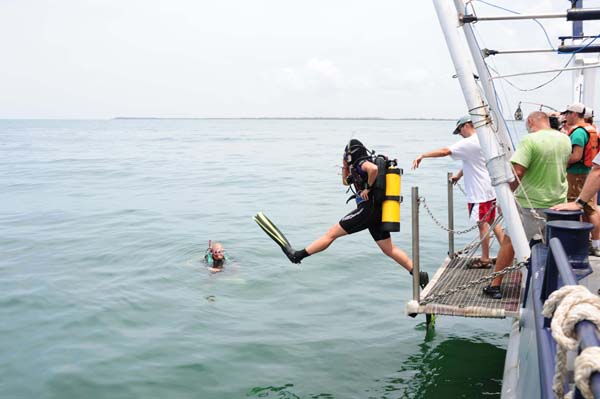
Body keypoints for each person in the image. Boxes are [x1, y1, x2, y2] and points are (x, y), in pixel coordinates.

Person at [259, 139, 428, 286]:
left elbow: (374, 170)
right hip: (378, 212)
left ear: (351, 154)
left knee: (331, 234)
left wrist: (367, 188)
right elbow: (345, 183)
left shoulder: (362, 163)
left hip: (367, 211)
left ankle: (298, 255)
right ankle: (419, 275)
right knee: (389, 249)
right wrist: (345, 167)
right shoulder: (356, 167)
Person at [483, 112, 572, 299]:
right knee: (552, 245)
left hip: (530, 204)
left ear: (531, 121)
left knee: (510, 241)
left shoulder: (529, 140)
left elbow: (518, 172)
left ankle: (495, 285)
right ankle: (554, 286)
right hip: (558, 202)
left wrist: (506, 197)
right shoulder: (565, 139)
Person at [412, 115, 504, 268]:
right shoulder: (483, 140)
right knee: (492, 221)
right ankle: (506, 252)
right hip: (488, 189)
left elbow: (445, 151)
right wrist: (458, 176)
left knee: (482, 224)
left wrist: (423, 155)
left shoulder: (469, 142)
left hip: (479, 192)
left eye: (459, 130)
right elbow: (472, 162)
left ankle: (485, 259)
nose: (460, 134)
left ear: (466, 126)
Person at [564, 103, 600, 256]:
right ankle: (595, 243)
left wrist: (561, 162)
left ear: (574, 114)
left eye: (567, 113)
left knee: (580, 208)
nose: (565, 117)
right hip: (587, 173)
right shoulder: (591, 130)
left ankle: (579, 244)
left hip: (577, 175)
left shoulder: (578, 133)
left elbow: (576, 156)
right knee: (591, 209)